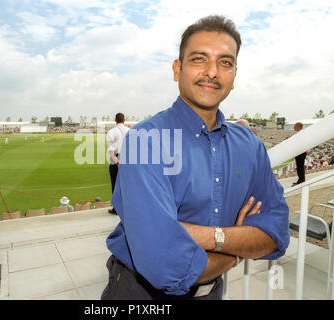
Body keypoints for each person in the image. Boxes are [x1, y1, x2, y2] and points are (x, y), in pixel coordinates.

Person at [101, 15, 290, 300]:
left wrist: (210, 237)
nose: (212, 72)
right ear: (177, 69)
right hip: (139, 294)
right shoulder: (144, 139)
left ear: (234, 75)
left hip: (214, 292)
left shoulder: (250, 146)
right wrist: (236, 251)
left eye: (225, 62)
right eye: (199, 59)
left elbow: (276, 233)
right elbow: (165, 265)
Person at [106, 113, 130, 214]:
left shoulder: (112, 131)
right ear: (124, 120)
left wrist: (116, 161)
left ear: (115, 120)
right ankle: (127, 208)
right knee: (127, 185)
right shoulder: (129, 131)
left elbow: (111, 149)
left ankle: (116, 209)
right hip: (128, 159)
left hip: (116, 159)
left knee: (115, 185)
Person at [292, 122, 306, 186]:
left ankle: (301, 180)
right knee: (299, 167)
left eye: (294, 126)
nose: (293, 127)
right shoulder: (301, 134)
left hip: (300, 152)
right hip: (300, 152)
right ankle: (300, 179)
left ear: (298, 127)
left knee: (300, 167)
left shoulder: (301, 134)